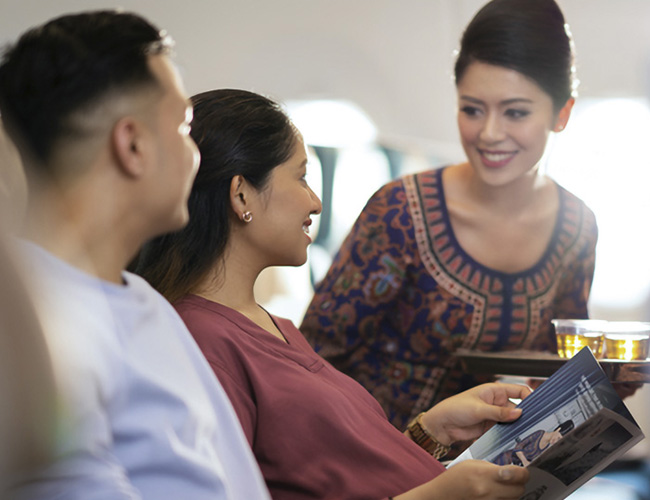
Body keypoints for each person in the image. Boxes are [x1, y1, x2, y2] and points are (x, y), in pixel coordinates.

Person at [134, 88, 530, 500]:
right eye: (302, 176)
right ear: (241, 195)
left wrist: (430, 432)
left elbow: (336, 474)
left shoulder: (275, 326)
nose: (316, 202)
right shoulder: (202, 342)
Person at [0, 11, 270, 500]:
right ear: (133, 144)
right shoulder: (32, 317)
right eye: (185, 127)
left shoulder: (141, 299)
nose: (196, 155)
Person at [300, 0, 599, 431]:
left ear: (562, 114)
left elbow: (563, 367)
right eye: (472, 109)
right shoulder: (400, 211)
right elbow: (313, 361)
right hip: (380, 464)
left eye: (515, 112)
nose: (490, 133)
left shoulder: (577, 227)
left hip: (496, 473)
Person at [493, 420, 575, 467]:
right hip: (507, 459)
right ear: (558, 429)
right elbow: (518, 447)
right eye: (558, 438)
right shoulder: (540, 434)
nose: (556, 441)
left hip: (514, 466)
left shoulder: (547, 446)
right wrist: (525, 462)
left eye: (559, 441)